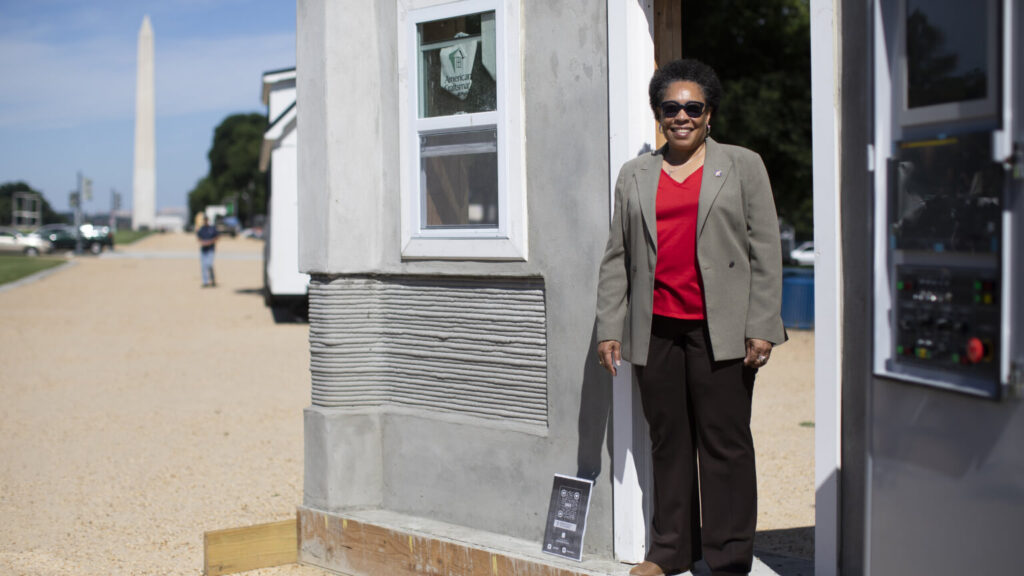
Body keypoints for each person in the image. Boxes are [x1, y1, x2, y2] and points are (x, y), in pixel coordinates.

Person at [595, 59, 786, 576]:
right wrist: (610, 326)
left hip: (719, 331)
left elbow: (765, 250)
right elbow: (618, 256)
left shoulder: (743, 165)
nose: (681, 116)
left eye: (692, 107)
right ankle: (671, 551)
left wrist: (762, 324)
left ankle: (727, 560)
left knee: (724, 445)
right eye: (670, 107)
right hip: (655, 329)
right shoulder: (634, 174)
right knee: (668, 443)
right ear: (658, 114)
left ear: (709, 114)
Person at [196, 215, 218, 287]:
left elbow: (216, 237)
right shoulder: (201, 229)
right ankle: (205, 282)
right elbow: (198, 238)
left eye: (206, 220)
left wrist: (210, 242)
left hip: (210, 249)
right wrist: (202, 242)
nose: (205, 221)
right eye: (204, 220)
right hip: (203, 250)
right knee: (203, 266)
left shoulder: (212, 228)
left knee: (209, 264)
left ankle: (212, 279)